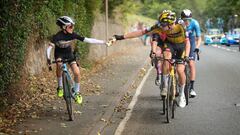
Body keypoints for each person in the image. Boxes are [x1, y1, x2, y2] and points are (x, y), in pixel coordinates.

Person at [111, 10, 190, 108]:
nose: (161, 27)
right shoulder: (160, 26)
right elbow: (141, 32)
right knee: (166, 57)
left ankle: (182, 94)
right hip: (170, 45)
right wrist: (121, 37)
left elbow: (188, 42)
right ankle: (165, 85)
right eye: (160, 24)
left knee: (179, 70)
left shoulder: (181, 25)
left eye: (163, 25)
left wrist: (186, 55)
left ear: (171, 24)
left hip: (181, 46)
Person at [46, 16, 105, 104]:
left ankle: (77, 92)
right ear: (64, 27)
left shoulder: (73, 35)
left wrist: (103, 42)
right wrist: (48, 60)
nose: (72, 28)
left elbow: (88, 40)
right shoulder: (57, 36)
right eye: (70, 26)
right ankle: (60, 86)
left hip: (69, 54)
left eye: (72, 26)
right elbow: (49, 49)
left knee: (77, 72)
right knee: (59, 64)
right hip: (59, 54)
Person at [181, 9, 201, 98]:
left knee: (191, 63)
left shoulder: (195, 23)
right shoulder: (179, 23)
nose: (187, 22)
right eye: (185, 20)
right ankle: (177, 85)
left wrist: (197, 47)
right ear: (182, 19)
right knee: (178, 62)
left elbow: (199, 37)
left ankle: (192, 88)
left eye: (188, 20)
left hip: (192, 40)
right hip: (182, 41)